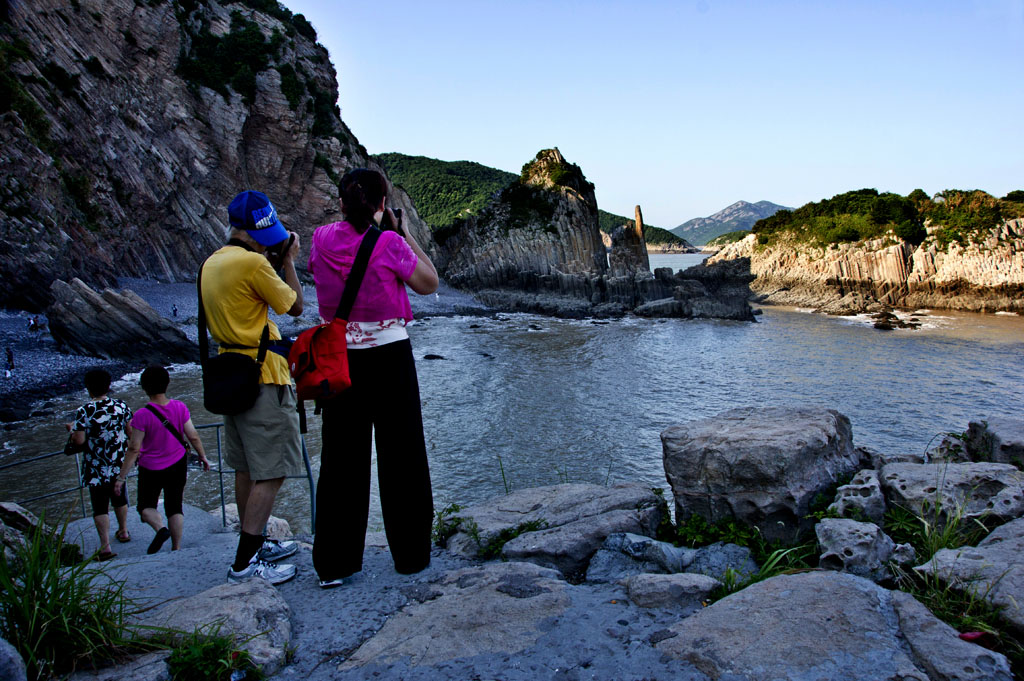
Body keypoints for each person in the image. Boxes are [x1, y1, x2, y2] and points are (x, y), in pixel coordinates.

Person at [309, 168, 438, 589]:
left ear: (342, 202)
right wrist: (402, 231)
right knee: (402, 456)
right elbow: (428, 282)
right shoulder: (388, 243)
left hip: (339, 359)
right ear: (382, 204)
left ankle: (335, 563)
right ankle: (411, 556)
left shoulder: (321, 238)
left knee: (341, 460)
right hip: (389, 358)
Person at [200, 190, 304, 584]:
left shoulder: (212, 263)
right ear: (252, 232)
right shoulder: (253, 264)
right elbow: (294, 305)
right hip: (263, 377)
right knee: (272, 472)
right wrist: (288, 259)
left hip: (232, 374)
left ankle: (254, 544)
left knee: (246, 468)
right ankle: (246, 563)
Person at [114, 366, 210, 553]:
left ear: (144, 387)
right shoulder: (180, 407)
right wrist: (202, 456)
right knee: (175, 506)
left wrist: (121, 477)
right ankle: (176, 547)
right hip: (177, 464)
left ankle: (161, 529)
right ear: (167, 383)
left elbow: (134, 448)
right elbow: (193, 436)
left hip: (150, 468)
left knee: (145, 507)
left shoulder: (141, 415)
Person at [67, 369, 133, 560]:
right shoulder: (121, 406)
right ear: (108, 385)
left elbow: (79, 441)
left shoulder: (84, 411)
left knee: (100, 506)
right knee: (119, 498)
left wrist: (72, 430)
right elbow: (130, 431)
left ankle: (105, 547)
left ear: (88, 388)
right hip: (118, 462)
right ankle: (124, 531)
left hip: (96, 465)